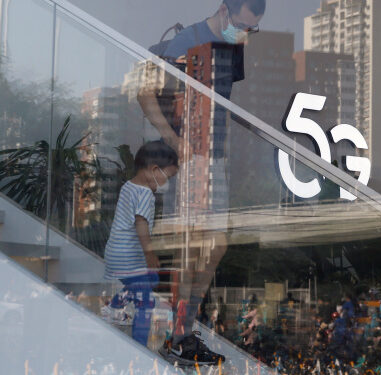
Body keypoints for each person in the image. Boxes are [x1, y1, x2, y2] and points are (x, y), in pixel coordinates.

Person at [137, 0, 266, 367]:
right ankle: (178, 335)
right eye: (242, 25)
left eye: (251, 29)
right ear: (225, 10)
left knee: (216, 246)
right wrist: (176, 141)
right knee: (191, 249)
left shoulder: (232, 47)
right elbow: (145, 95)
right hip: (187, 158)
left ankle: (183, 330)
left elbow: (222, 106)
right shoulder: (185, 42)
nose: (244, 34)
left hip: (215, 159)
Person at [104, 140, 179, 346]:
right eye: (168, 177)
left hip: (115, 252)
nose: (166, 183)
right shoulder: (145, 194)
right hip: (129, 256)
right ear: (154, 169)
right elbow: (141, 223)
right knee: (146, 301)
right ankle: (139, 346)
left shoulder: (129, 186)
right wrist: (149, 253)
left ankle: (114, 305)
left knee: (152, 278)